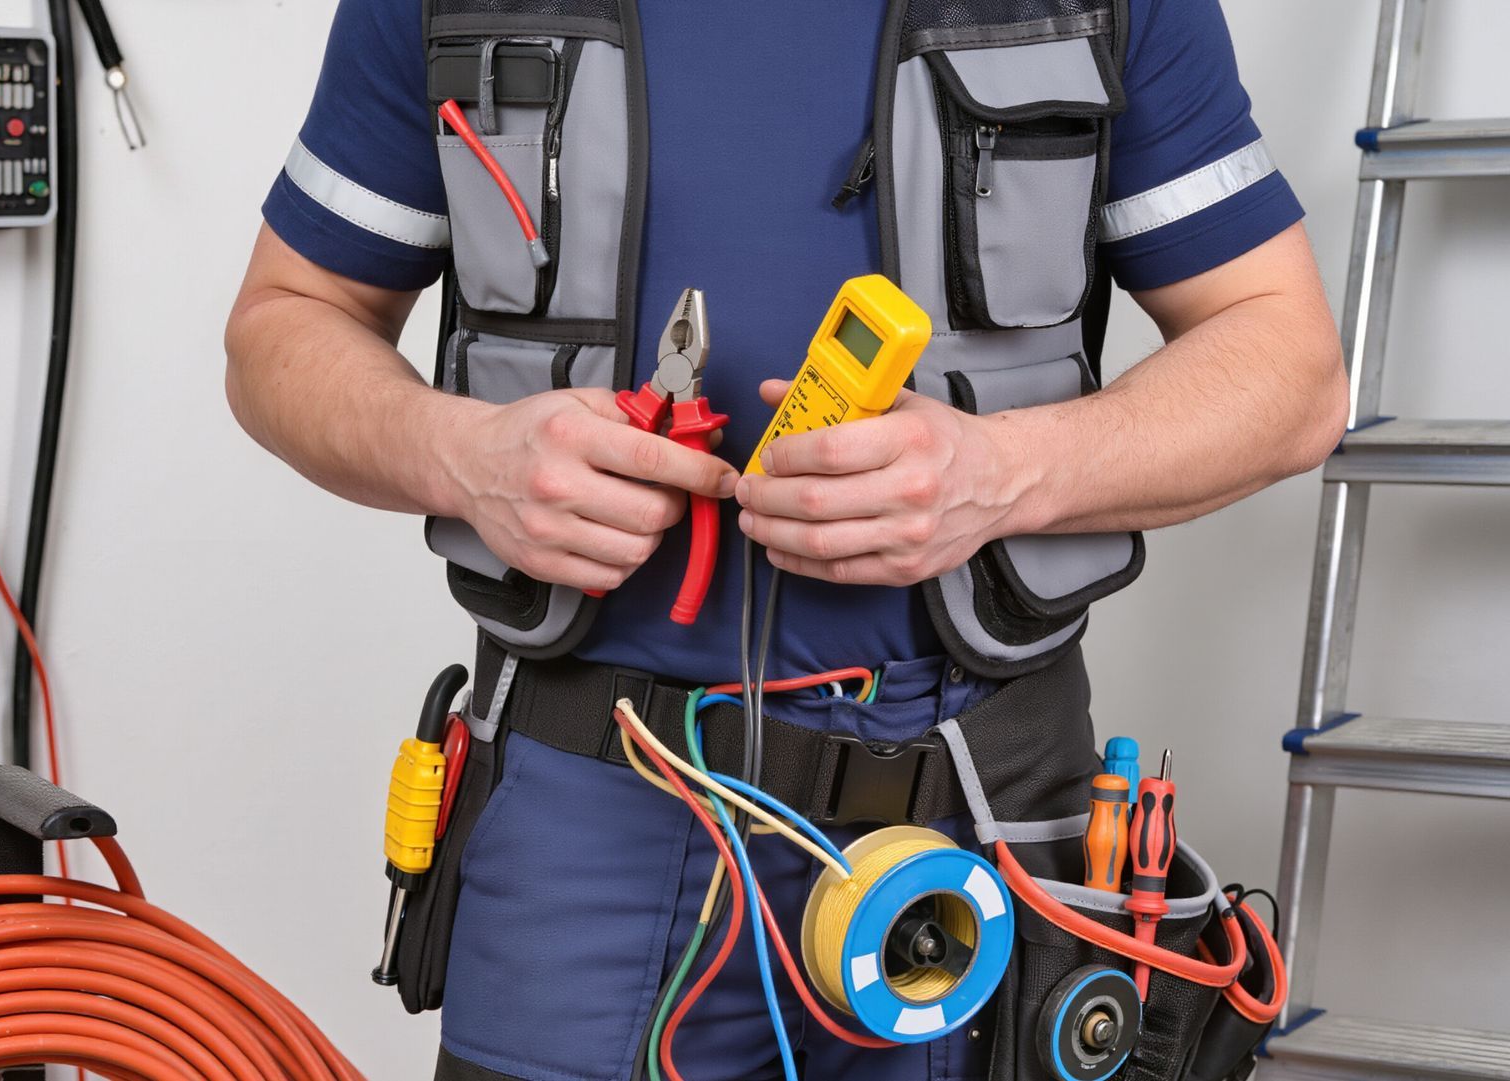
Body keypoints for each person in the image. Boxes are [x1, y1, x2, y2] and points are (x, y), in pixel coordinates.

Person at [225, 0, 1346, 1077]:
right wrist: (458, 454)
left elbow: (1290, 373)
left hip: (980, 810)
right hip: (584, 812)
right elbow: (284, 326)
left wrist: (1004, 474)